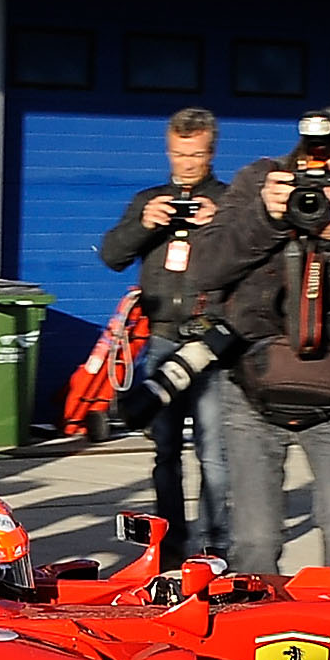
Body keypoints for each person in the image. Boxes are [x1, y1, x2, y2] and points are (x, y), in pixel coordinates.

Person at [192, 105, 330, 578]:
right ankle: (257, 619)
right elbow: (204, 269)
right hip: (251, 390)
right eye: (326, 170)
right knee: (255, 539)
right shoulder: (261, 183)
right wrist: (264, 218)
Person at [94, 105, 233, 553]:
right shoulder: (149, 200)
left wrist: (219, 224)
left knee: (214, 453)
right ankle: (171, 543)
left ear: (211, 153)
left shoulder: (230, 202)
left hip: (211, 346)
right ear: (167, 150)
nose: (186, 164)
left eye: (195, 155)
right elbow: (111, 256)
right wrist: (144, 224)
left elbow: (251, 262)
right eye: (178, 154)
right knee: (165, 450)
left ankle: (215, 546)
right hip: (162, 340)